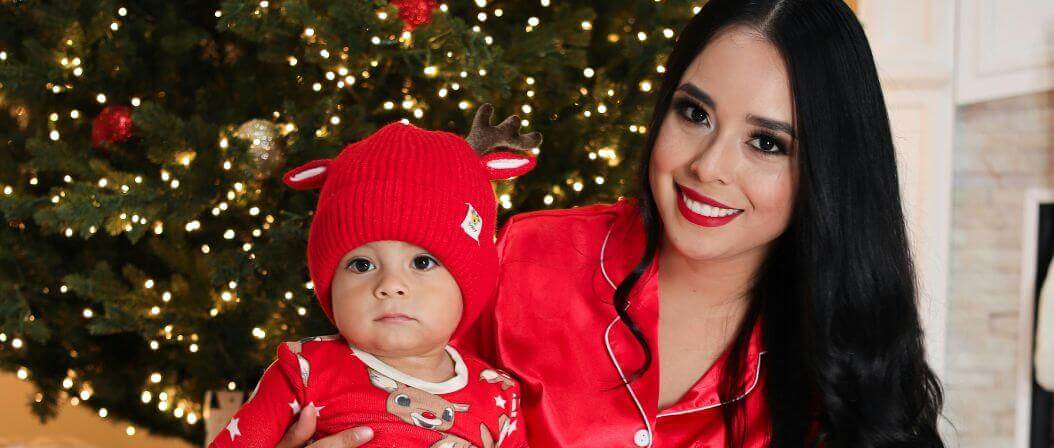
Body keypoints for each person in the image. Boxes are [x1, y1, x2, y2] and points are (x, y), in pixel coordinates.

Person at [279, 0, 946, 446]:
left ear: (830, 169)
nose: (709, 165)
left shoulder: (847, 349)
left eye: (767, 143)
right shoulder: (519, 259)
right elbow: (351, 390)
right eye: (695, 114)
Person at [209, 116, 541, 448]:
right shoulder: (303, 370)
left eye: (422, 262)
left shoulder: (499, 395)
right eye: (362, 264)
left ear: (470, 285)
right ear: (330, 285)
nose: (390, 284)